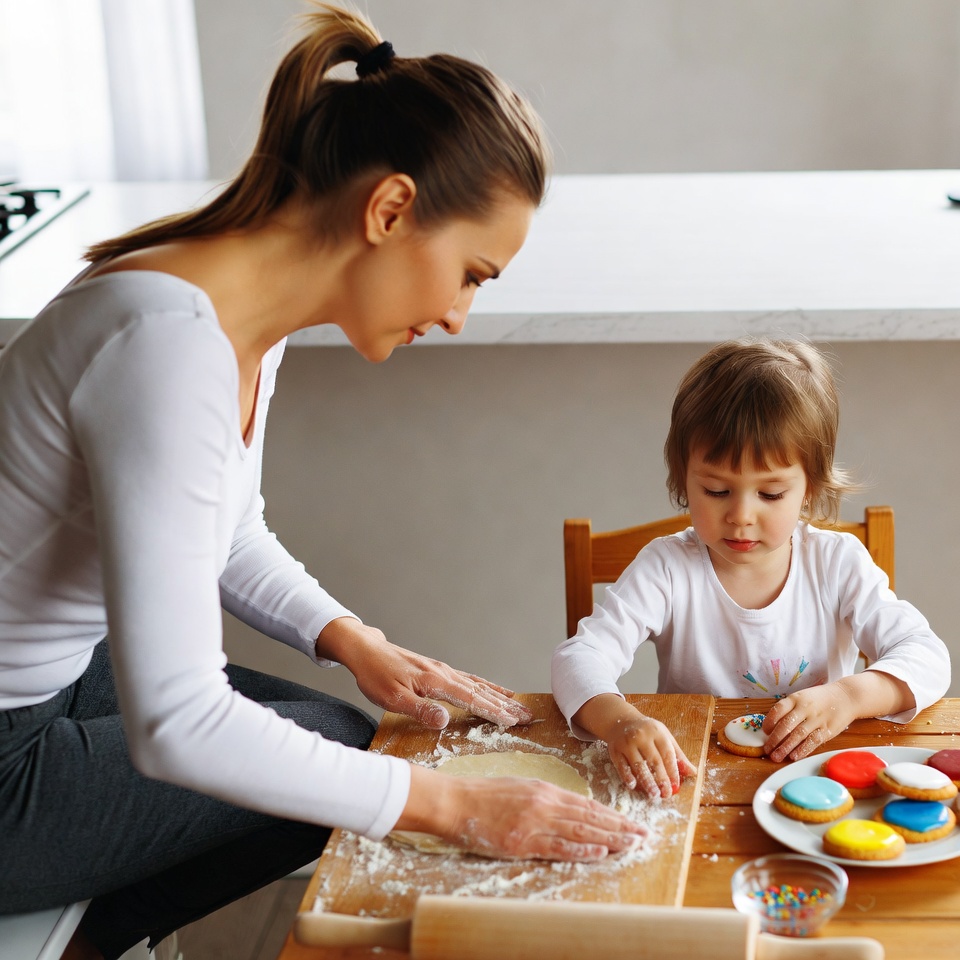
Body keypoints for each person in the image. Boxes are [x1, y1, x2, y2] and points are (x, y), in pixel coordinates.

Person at [0, 5, 645, 958]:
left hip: (50, 690)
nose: (462, 313)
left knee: (350, 731)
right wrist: (457, 808)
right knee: (350, 763)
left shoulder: (234, 317)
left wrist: (354, 639)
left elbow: (220, 528)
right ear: (389, 211)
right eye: (470, 273)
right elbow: (177, 725)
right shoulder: (165, 346)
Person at [552, 338, 951, 801]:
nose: (741, 515)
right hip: (697, 781)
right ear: (684, 480)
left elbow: (927, 656)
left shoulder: (836, 563)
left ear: (810, 488)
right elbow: (577, 660)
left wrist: (847, 698)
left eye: (771, 494)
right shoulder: (666, 568)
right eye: (717, 491)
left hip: (819, 776)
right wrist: (621, 722)